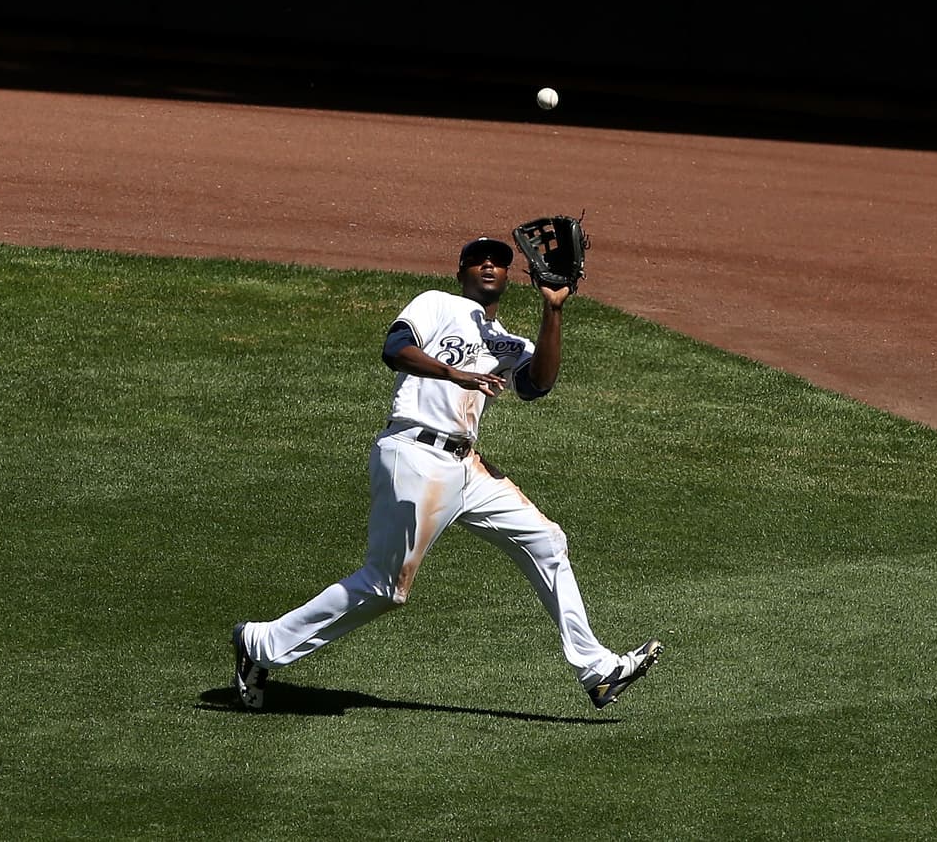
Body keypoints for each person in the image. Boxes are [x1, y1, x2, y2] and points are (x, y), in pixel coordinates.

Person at [231, 234, 660, 711]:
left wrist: (553, 310)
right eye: (477, 260)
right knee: (386, 588)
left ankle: (596, 669)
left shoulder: (508, 342)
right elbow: (395, 349)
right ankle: (259, 642)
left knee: (547, 540)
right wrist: (454, 374)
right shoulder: (436, 304)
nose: (489, 266)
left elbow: (538, 384)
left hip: (466, 467)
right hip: (414, 453)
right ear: (461, 272)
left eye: (499, 261)